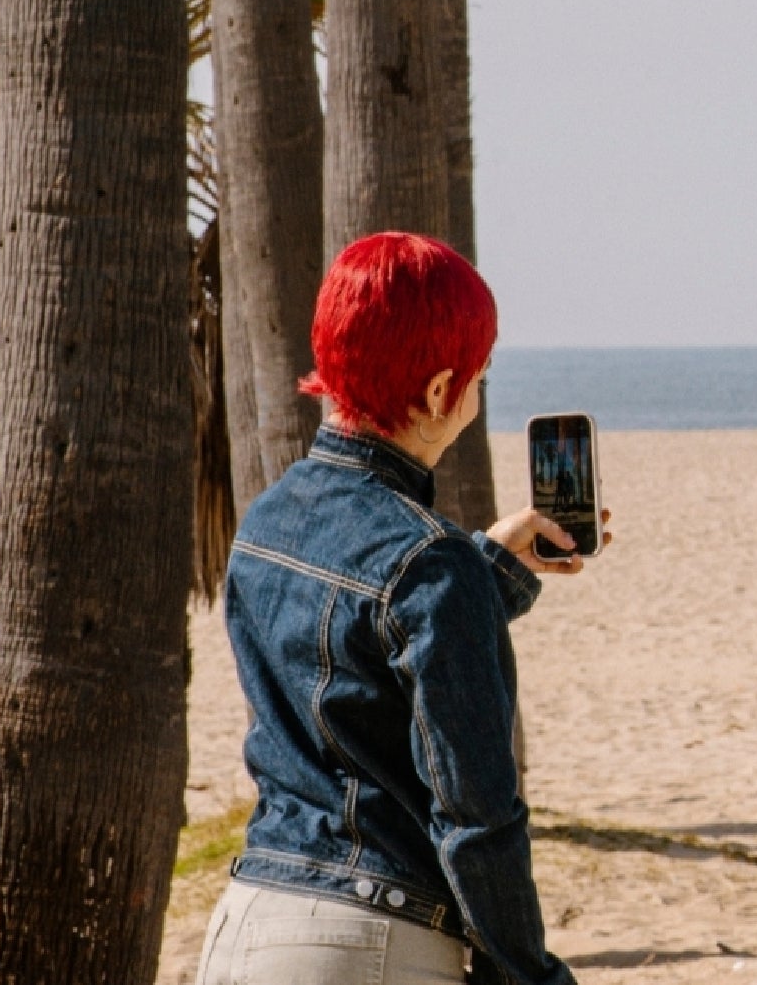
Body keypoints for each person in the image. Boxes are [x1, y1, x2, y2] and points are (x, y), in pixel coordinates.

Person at [196, 232, 608, 985]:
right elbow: (476, 820)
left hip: (246, 924)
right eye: (478, 379)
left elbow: (347, 676)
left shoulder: (266, 521)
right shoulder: (430, 564)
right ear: (437, 392)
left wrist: (484, 577)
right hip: (369, 943)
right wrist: (532, 974)